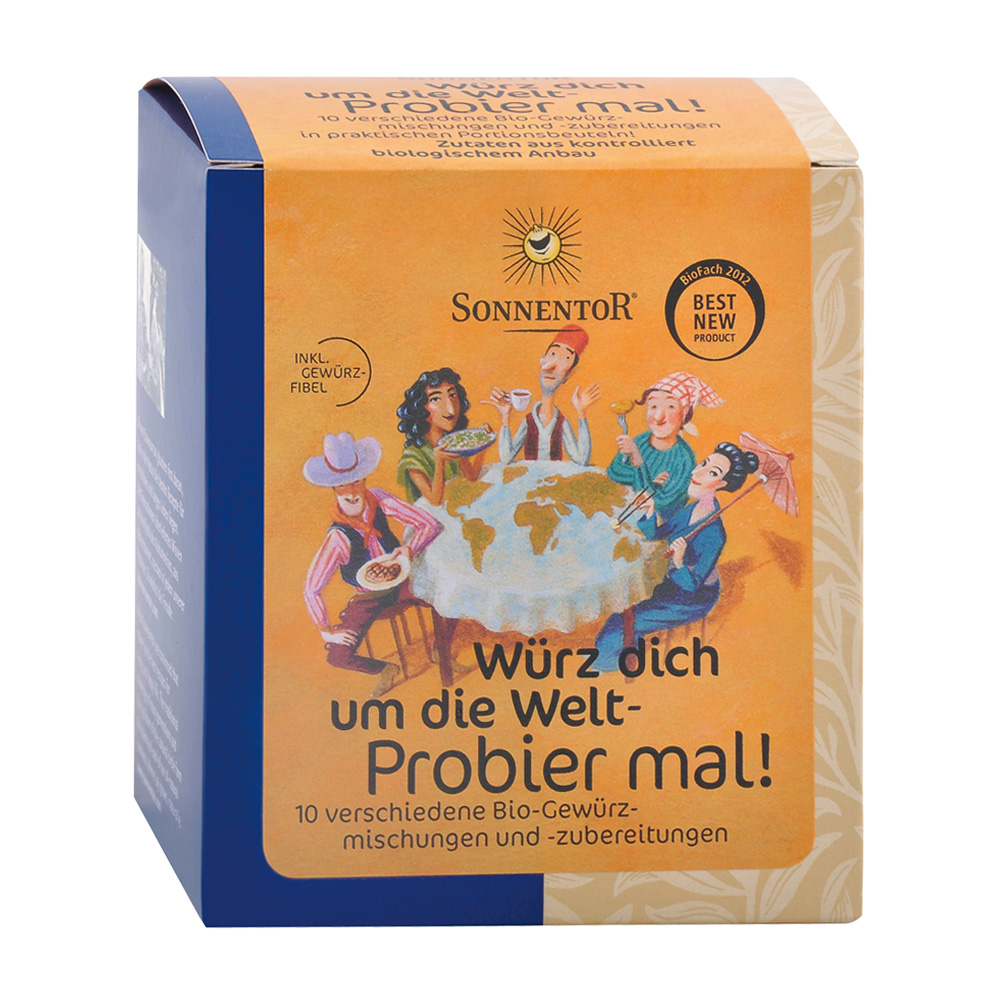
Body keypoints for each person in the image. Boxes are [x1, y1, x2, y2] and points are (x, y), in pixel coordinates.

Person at [594, 441, 759, 673]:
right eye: (703, 463)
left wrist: (680, 561)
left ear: (721, 484)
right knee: (623, 597)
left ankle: (606, 666)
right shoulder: (694, 508)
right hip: (670, 580)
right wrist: (650, 512)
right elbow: (659, 534)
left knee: (621, 622)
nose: (698, 472)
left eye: (712, 472)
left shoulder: (714, 534)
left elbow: (692, 586)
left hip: (690, 599)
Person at [303, 431, 442, 697]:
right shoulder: (337, 538)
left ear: (364, 479)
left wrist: (408, 549)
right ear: (334, 489)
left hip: (403, 583)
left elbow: (429, 524)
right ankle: (385, 669)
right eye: (342, 486)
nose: (351, 492)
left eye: (356, 482)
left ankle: (440, 648)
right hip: (368, 598)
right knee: (337, 656)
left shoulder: (378, 499)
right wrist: (326, 630)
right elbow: (312, 589)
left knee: (449, 594)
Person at [608, 372, 723, 518]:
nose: (658, 417)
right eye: (653, 406)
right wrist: (652, 483)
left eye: (670, 407)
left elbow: (661, 501)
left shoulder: (684, 459)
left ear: (684, 415)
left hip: (657, 525)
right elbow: (615, 472)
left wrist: (637, 459)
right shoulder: (641, 440)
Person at [488, 323, 601, 464]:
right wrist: (505, 417)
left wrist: (581, 413)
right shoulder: (529, 420)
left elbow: (582, 459)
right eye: (552, 354)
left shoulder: (561, 422)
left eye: (566, 358)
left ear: (568, 374)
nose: (552, 366)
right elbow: (506, 458)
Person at [396, 368, 485, 506]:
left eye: (452, 395)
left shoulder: (452, 440)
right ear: (421, 408)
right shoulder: (413, 456)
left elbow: (471, 476)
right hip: (431, 516)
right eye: (435, 399)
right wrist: (439, 462)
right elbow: (435, 501)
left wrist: (483, 442)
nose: (450, 409)